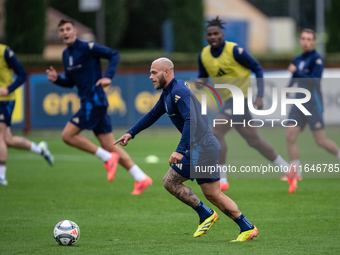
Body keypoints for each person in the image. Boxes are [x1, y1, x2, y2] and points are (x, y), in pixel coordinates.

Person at [115, 57, 258, 241]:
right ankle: (247, 227)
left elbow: (192, 120)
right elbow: (152, 115)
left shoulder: (179, 91)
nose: (150, 76)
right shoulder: (168, 93)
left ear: (167, 71)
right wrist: (131, 133)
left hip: (203, 148)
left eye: (154, 72)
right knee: (213, 194)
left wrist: (180, 150)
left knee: (170, 182)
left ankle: (206, 214)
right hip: (205, 146)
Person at [46, 19, 152, 195]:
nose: (64, 32)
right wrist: (57, 79)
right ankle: (141, 177)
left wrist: (108, 76)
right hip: (91, 103)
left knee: (67, 135)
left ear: (74, 31)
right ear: (59, 34)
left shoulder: (88, 47)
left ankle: (107, 157)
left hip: (94, 101)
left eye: (67, 29)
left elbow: (114, 55)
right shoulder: (66, 55)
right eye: (61, 30)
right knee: (110, 145)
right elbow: (71, 81)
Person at [197, 17, 295, 193]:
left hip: (240, 98)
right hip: (229, 101)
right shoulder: (203, 55)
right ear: (206, 36)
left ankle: (222, 180)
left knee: (216, 132)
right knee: (254, 141)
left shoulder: (235, 51)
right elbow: (203, 76)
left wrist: (259, 95)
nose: (212, 37)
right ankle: (288, 169)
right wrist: (200, 82)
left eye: (216, 33)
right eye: (209, 34)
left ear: (222, 35)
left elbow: (257, 68)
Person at [284, 28, 340, 180]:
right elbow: (295, 78)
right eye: (303, 38)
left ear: (314, 42)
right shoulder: (297, 59)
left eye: (309, 39)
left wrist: (296, 72)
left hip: (312, 104)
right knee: (290, 135)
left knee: (321, 141)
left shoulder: (317, 59)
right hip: (298, 102)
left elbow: (314, 80)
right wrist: (288, 88)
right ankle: (296, 173)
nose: (305, 42)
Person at [0, 44, 54, 185]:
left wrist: (8, 89)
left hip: (4, 101)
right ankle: (40, 149)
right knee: (7, 140)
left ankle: (1, 176)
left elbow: (22, 74)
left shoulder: (4, 51)